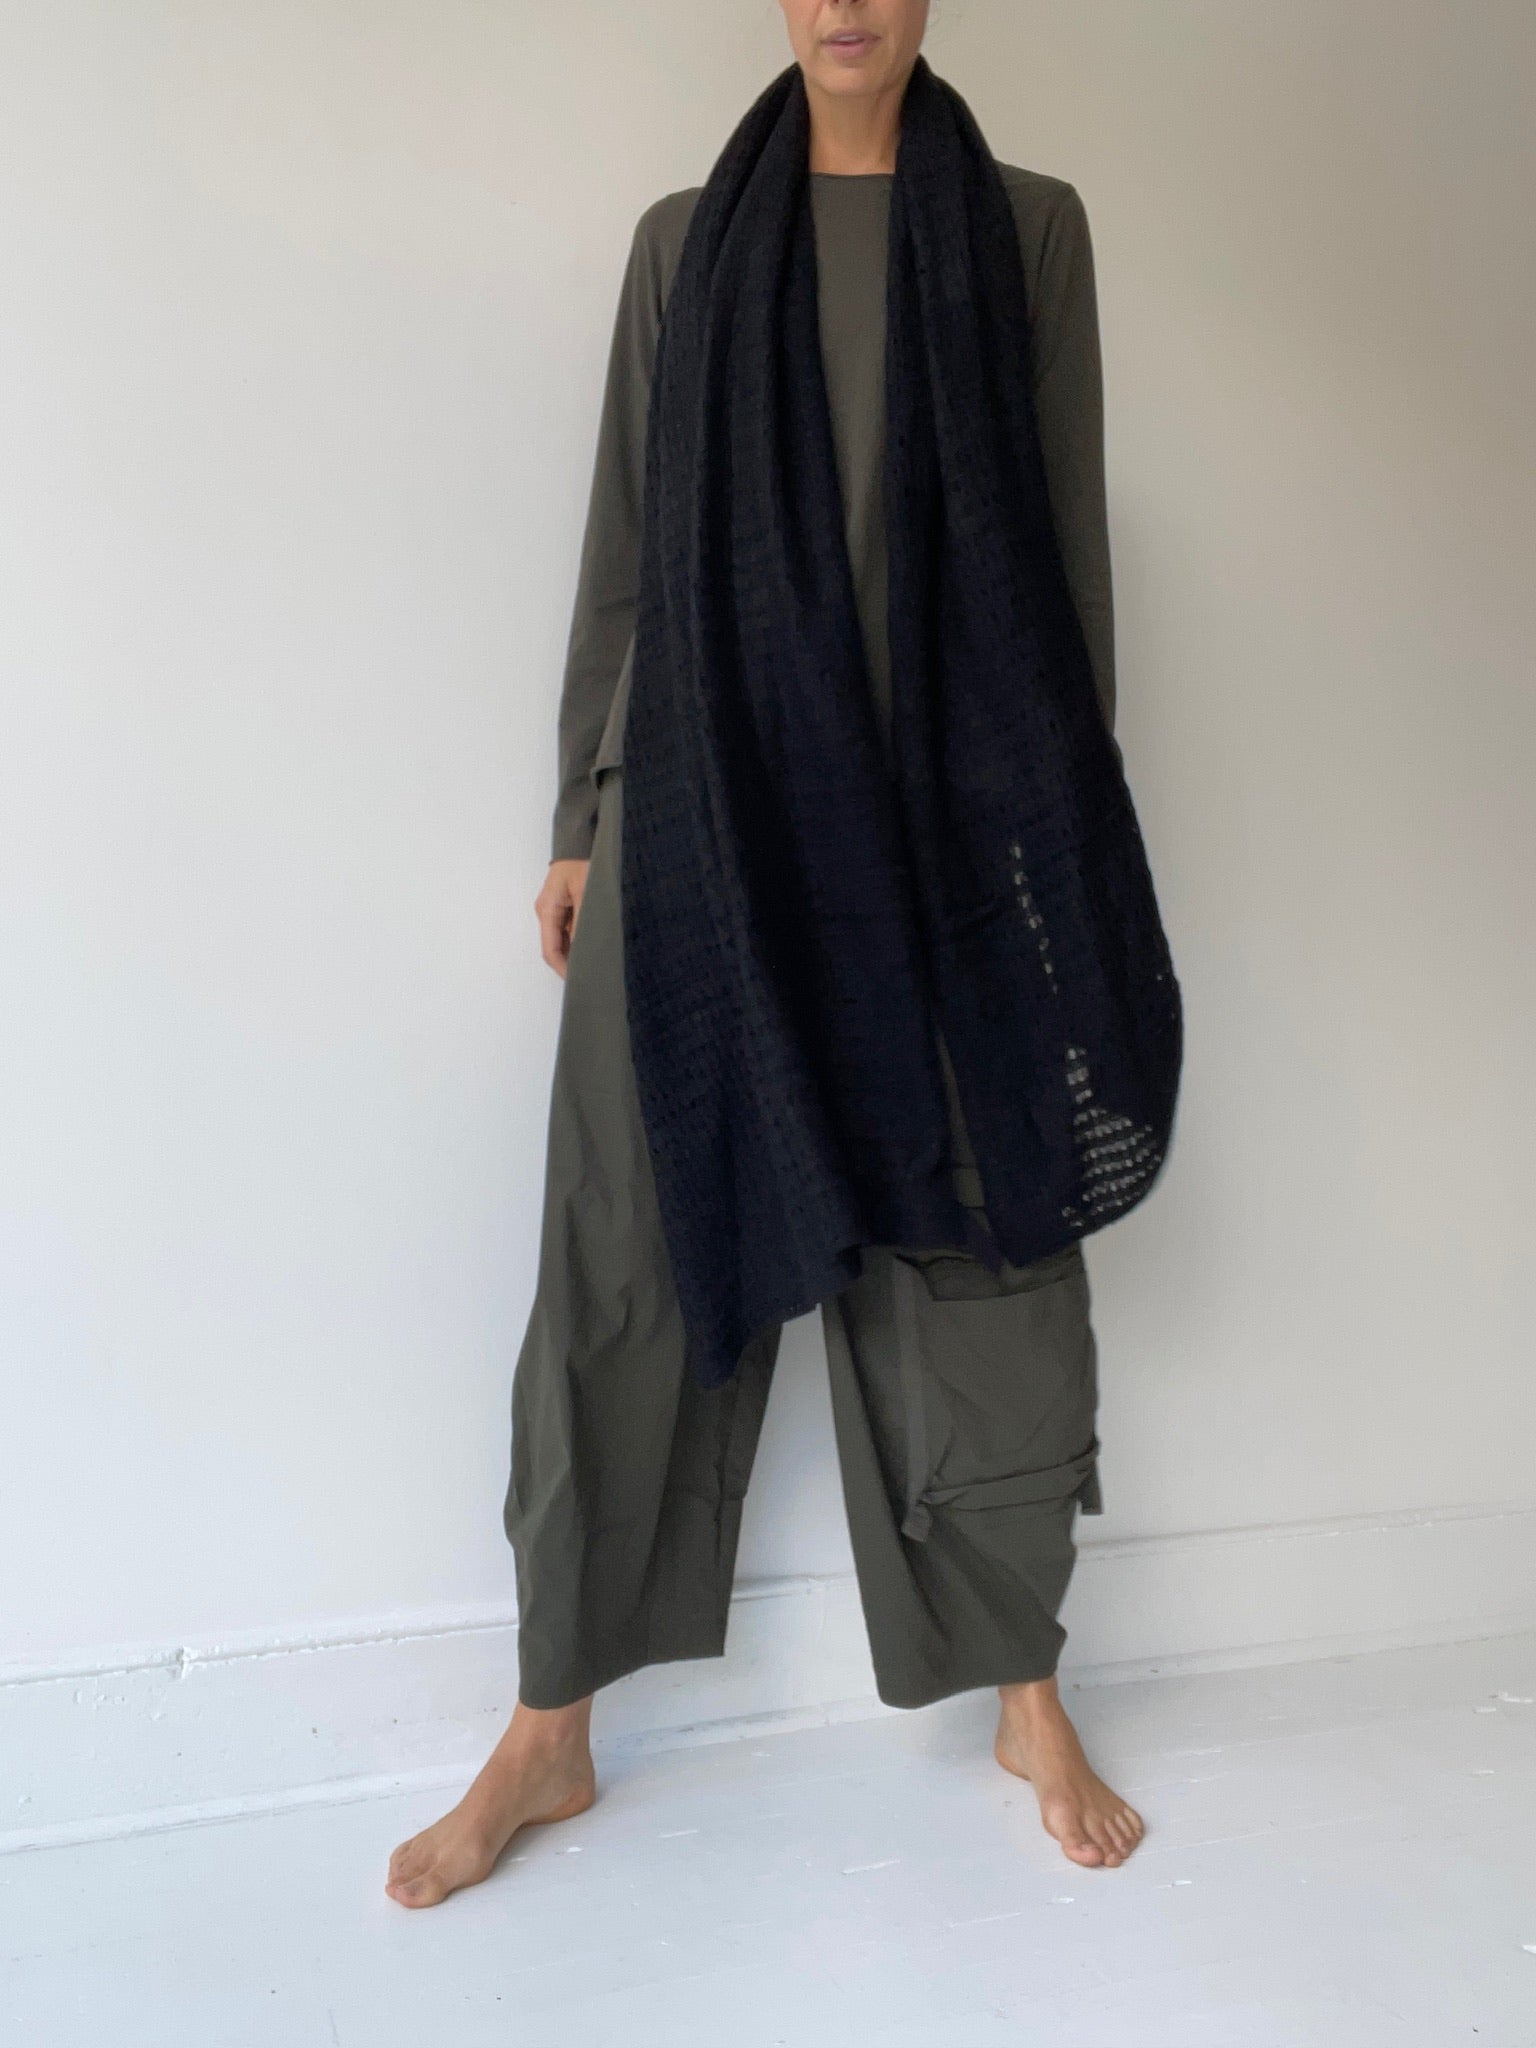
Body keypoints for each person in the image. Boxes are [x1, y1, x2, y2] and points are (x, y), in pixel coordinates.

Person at [387, 0, 1151, 1910]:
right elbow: (627, 550)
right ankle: (549, 1727)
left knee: (981, 1233)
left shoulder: (1031, 228)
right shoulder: (686, 243)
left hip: (943, 829)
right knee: (624, 1246)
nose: (842, 4)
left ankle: (1027, 1692)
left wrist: (1056, 845)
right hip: (697, 818)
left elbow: (1061, 559)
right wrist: (582, 813)